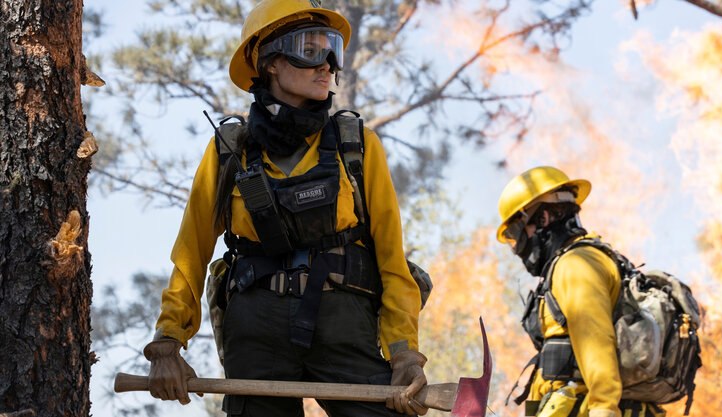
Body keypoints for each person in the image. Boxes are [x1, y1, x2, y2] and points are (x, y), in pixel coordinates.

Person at [141, 1, 428, 416]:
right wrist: (168, 340)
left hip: (344, 325)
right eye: (311, 49)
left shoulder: (358, 145)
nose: (327, 64)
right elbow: (192, 250)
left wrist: (404, 354)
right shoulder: (230, 151)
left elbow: (391, 259)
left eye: (333, 51)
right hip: (255, 332)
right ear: (270, 61)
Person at [496, 166, 664, 417]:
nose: (518, 246)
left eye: (516, 233)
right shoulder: (576, 262)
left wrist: (604, 409)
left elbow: (595, 340)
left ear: (542, 219)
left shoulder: (576, 265)